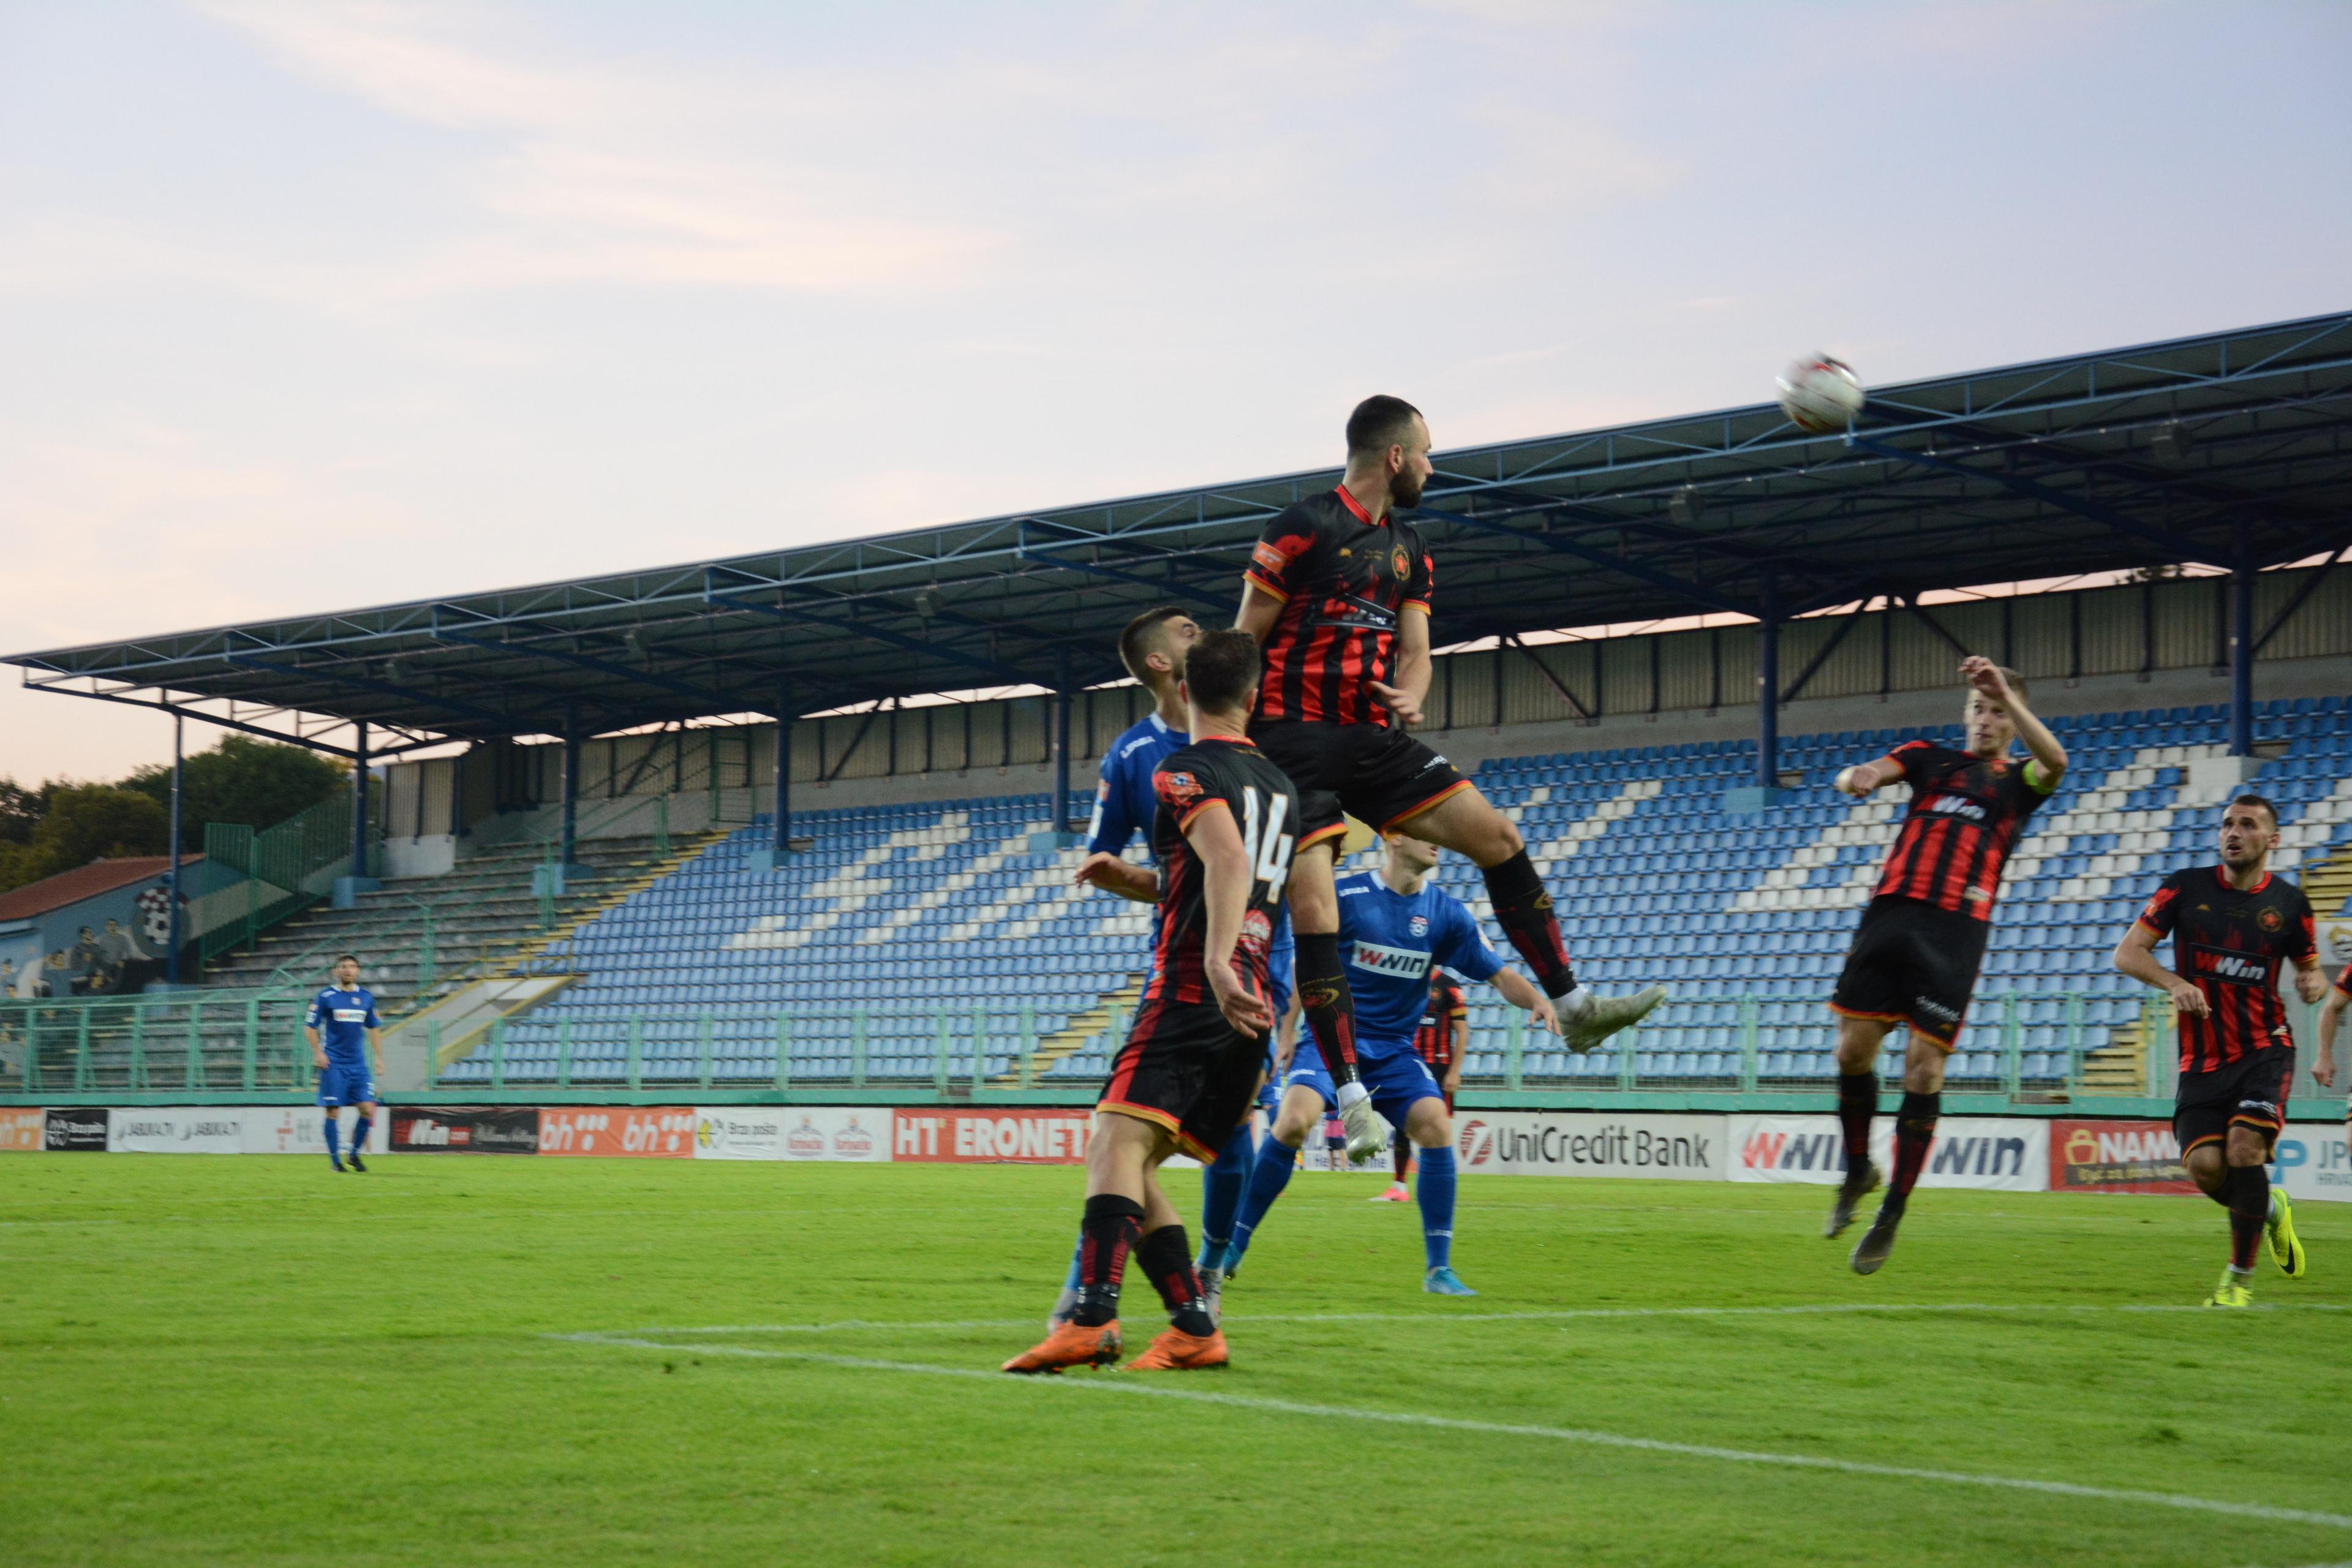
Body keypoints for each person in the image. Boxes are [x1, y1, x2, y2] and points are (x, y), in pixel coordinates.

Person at [1236, 394, 1659, 1166]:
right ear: (1395, 457)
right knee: (1317, 912)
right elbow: (1244, 639)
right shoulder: (1298, 527)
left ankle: (1574, 1002)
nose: (1433, 466)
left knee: (1500, 837)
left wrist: (1415, 689)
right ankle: (1355, 1099)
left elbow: (1417, 649)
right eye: (1427, 452)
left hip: (1373, 738)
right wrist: (1234, 745)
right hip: (1289, 743)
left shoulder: (1412, 549)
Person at [1004, 628, 1297, 1374]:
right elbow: (1222, 874)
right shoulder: (1281, 786)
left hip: (1198, 990)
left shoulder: (1182, 770)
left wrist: (1215, 961)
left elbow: (1226, 860)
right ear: (1255, 696)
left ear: (1185, 693)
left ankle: (1092, 1317)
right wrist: (1137, 882)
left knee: (1111, 1140)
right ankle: (1194, 1326)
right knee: (1136, 1162)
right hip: (1253, 999)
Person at [1208, 829, 1558, 1296]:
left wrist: (1539, 999)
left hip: (1394, 1048)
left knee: (1435, 1126)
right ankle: (1234, 1244)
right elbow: (1307, 966)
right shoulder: (1347, 897)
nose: (1438, 842)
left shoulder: (1447, 915)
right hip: (1332, 1039)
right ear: (1392, 837)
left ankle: (1439, 1271)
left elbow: (1498, 972)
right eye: (1424, 834)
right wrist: (1288, 1032)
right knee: (1292, 1122)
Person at [1823, 658, 2068, 1273]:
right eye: (1979, 708)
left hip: (1954, 931)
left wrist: (2010, 692)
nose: (1987, 719)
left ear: (2013, 721)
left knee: (1923, 1070)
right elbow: (1879, 769)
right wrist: (1856, 776)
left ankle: (1891, 1215)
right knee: (1852, 1052)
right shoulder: (1930, 759)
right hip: (1892, 914)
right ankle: (1857, 1170)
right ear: (1966, 715)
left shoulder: (2018, 783)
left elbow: (2058, 763)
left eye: (1998, 712)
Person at [2114, 796, 2324, 1306]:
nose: (2233, 832)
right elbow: (2128, 952)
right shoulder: (2185, 888)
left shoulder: (2292, 905)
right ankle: (2271, 1209)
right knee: (2207, 1168)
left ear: (2271, 840)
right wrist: (2173, 983)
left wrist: (2313, 979)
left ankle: (2238, 1282)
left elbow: (2308, 964)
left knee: (2244, 1150)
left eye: (2247, 825)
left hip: (2264, 1050)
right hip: (2201, 1060)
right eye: (2227, 823)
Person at [1376, 970, 1468, 1202]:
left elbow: (1462, 1031)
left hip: (1439, 1065)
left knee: (1438, 1127)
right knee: (1401, 1124)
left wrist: (1455, 1072)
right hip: (1408, 1062)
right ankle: (1399, 1186)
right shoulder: (1405, 981)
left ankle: (1440, 1185)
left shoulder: (1450, 986)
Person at [305, 954, 384, 1173]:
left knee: (367, 1109)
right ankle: (335, 1162)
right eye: (343, 967)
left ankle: (354, 1156)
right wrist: (317, 1052)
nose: (348, 970)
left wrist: (378, 1057)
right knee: (333, 1111)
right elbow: (310, 1027)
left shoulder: (367, 998)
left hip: (358, 1064)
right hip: (334, 1063)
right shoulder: (326, 997)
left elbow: (374, 1029)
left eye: (352, 967)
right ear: (336, 971)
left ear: (357, 971)